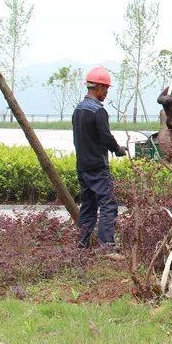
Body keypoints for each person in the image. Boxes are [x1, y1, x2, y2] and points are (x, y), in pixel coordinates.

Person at [73, 67, 126, 252]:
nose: (106, 94)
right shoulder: (98, 111)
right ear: (99, 87)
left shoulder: (78, 109)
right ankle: (107, 246)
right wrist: (118, 149)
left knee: (88, 206)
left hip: (82, 166)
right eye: (106, 90)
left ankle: (81, 244)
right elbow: (105, 137)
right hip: (98, 167)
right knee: (108, 205)